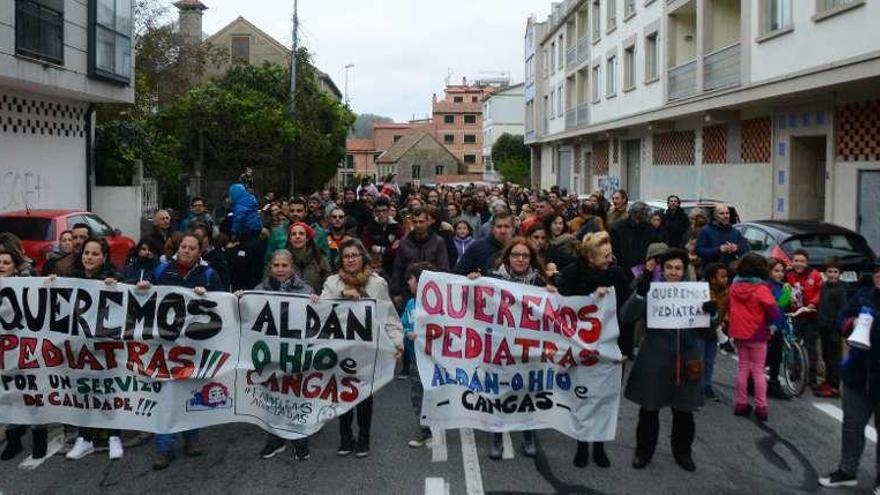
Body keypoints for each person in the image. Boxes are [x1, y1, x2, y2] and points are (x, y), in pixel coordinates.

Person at [625, 248, 710, 472]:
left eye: (678, 268)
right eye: (669, 268)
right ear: (663, 269)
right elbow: (627, 316)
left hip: (687, 359)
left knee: (684, 412)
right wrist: (641, 293)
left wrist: (713, 314)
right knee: (649, 410)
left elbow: (708, 330)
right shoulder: (652, 290)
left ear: (685, 270)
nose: (673, 272)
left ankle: (683, 452)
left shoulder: (695, 293)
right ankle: (643, 452)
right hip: (656, 357)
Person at [470, 238, 554, 460]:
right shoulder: (493, 279)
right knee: (499, 390)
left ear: (531, 259)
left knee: (529, 390)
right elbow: (476, 305)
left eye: (525, 256)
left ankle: (528, 434)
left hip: (529, 347)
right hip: (500, 346)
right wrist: (473, 283)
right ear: (507, 257)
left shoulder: (539, 282)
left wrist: (553, 292)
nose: (520, 259)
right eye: (515, 255)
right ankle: (497, 435)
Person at [147, 233, 225, 470]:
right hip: (166, 345)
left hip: (194, 346)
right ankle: (164, 447)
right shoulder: (161, 271)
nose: (187, 251)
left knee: (191, 391)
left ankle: (192, 439)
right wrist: (143, 288)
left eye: (192, 248)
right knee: (167, 395)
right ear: (177, 247)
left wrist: (209, 296)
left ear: (199, 251)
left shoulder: (208, 274)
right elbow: (146, 298)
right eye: (183, 246)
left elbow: (223, 303)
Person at [320, 239, 402, 458]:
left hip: (368, 348)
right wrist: (342, 296)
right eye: (346, 257)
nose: (350, 260)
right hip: (341, 347)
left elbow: (388, 315)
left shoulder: (377, 284)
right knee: (342, 392)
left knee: (365, 394)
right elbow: (322, 309)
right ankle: (345, 437)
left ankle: (364, 437)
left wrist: (397, 341)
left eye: (354, 255)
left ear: (363, 257)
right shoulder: (332, 282)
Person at [557, 232, 630, 468]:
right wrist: (590, 297)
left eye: (610, 254)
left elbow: (627, 316)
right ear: (590, 256)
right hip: (581, 349)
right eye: (605, 255)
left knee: (605, 399)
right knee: (581, 397)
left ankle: (599, 446)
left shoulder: (617, 275)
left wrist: (626, 349)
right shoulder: (571, 274)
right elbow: (563, 307)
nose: (610, 259)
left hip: (611, 348)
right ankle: (581, 444)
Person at [818, 263, 880, 491]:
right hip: (857, 373)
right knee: (852, 426)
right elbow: (841, 321)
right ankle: (847, 471)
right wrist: (850, 324)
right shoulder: (863, 296)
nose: (879, 276)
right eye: (877, 272)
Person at [248, 250, 314, 461]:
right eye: (276, 265)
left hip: (294, 353)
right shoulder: (259, 290)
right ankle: (275, 439)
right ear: (271, 267)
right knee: (271, 397)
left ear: (292, 267)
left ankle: (299, 440)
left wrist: (317, 303)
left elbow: (314, 323)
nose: (280, 269)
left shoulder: (306, 290)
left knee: (295, 396)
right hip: (270, 354)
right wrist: (241, 300)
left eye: (284, 265)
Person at [63, 237, 124, 461]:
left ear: (104, 257)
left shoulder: (116, 278)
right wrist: (51, 284)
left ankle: (114, 436)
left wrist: (116, 288)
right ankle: (84, 438)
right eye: (86, 253)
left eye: (95, 253)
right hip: (79, 345)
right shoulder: (70, 278)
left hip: (106, 345)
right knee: (82, 389)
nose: (89, 257)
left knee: (109, 388)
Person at [0, 248, 48, 462]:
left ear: (15, 267)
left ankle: (40, 439)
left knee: (31, 393)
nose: (1, 265)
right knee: (8, 395)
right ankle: (14, 440)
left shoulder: (26, 288)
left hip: (25, 349)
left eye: (6, 262)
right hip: (4, 353)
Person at [729, 253, 783, 422]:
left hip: (739, 332)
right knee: (758, 370)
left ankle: (741, 403)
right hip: (757, 333)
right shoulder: (761, 289)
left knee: (743, 368)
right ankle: (761, 407)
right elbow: (773, 311)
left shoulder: (734, 286)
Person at [403, 262, 436, 448]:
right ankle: (425, 430)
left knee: (436, 393)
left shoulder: (439, 305)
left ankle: (439, 428)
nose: (409, 283)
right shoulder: (410, 303)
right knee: (418, 394)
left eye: (412, 279)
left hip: (436, 358)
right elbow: (403, 325)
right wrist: (407, 333)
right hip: (417, 357)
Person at [391, 207, 450, 306]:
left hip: (432, 291)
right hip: (408, 290)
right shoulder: (404, 242)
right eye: (415, 222)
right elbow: (398, 267)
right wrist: (396, 292)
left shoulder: (438, 242)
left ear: (428, 222)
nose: (418, 225)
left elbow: (443, 268)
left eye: (421, 222)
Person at [786, 249, 823, 390]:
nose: (799, 264)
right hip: (795, 315)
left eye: (802, 261)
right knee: (794, 343)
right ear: (792, 262)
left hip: (811, 316)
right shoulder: (789, 275)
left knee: (811, 347)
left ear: (807, 262)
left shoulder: (815, 275)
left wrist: (812, 304)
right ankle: (794, 371)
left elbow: (820, 291)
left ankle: (812, 377)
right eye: (796, 261)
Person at [816, 257, 847, 398]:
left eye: (835, 272)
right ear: (826, 273)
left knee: (834, 359)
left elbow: (841, 312)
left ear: (840, 274)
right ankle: (827, 382)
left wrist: (837, 331)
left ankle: (834, 386)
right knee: (826, 357)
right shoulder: (825, 287)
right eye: (830, 271)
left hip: (834, 329)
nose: (832, 274)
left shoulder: (840, 290)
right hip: (824, 328)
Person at [611, 202, 662, 283]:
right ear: (634, 214)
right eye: (642, 215)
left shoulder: (649, 229)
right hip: (623, 268)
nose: (645, 217)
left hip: (642, 268)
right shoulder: (618, 228)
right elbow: (614, 249)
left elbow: (655, 247)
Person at [454, 211, 515, 277]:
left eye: (506, 227)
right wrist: (471, 276)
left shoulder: (520, 249)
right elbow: (458, 273)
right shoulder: (477, 247)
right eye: (499, 227)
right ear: (493, 229)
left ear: (513, 229)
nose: (503, 231)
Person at [766, 257, 794, 398]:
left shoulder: (779, 285)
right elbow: (777, 305)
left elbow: (786, 306)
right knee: (769, 357)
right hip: (769, 327)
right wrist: (787, 294)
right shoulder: (768, 286)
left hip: (778, 325)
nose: (780, 274)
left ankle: (773, 382)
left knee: (776, 357)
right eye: (776, 271)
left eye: (782, 271)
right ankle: (762, 383)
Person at [704, 263, 730, 402]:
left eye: (726, 276)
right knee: (700, 359)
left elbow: (727, 309)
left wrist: (725, 319)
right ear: (712, 279)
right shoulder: (704, 290)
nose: (726, 279)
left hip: (715, 331)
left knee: (709, 360)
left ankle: (707, 385)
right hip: (701, 331)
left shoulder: (726, 292)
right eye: (722, 277)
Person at [361, 196, 404, 280]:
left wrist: (378, 249)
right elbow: (366, 246)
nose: (381, 214)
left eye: (384, 210)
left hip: (393, 268)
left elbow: (398, 250)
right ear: (375, 212)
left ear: (389, 211)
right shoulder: (369, 228)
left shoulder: (397, 228)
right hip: (373, 268)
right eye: (378, 211)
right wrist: (388, 249)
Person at [695, 204, 749, 269]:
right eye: (722, 214)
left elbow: (746, 249)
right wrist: (719, 249)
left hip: (730, 271)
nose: (725, 216)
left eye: (727, 213)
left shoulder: (734, 232)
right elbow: (699, 251)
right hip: (711, 271)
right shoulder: (705, 231)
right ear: (715, 216)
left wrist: (736, 248)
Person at [286, 222, 332, 294]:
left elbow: (329, 286)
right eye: (293, 234)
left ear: (307, 238)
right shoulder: (282, 259)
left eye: (301, 233)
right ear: (289, 239)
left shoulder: (320, 259)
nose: (297, 236)